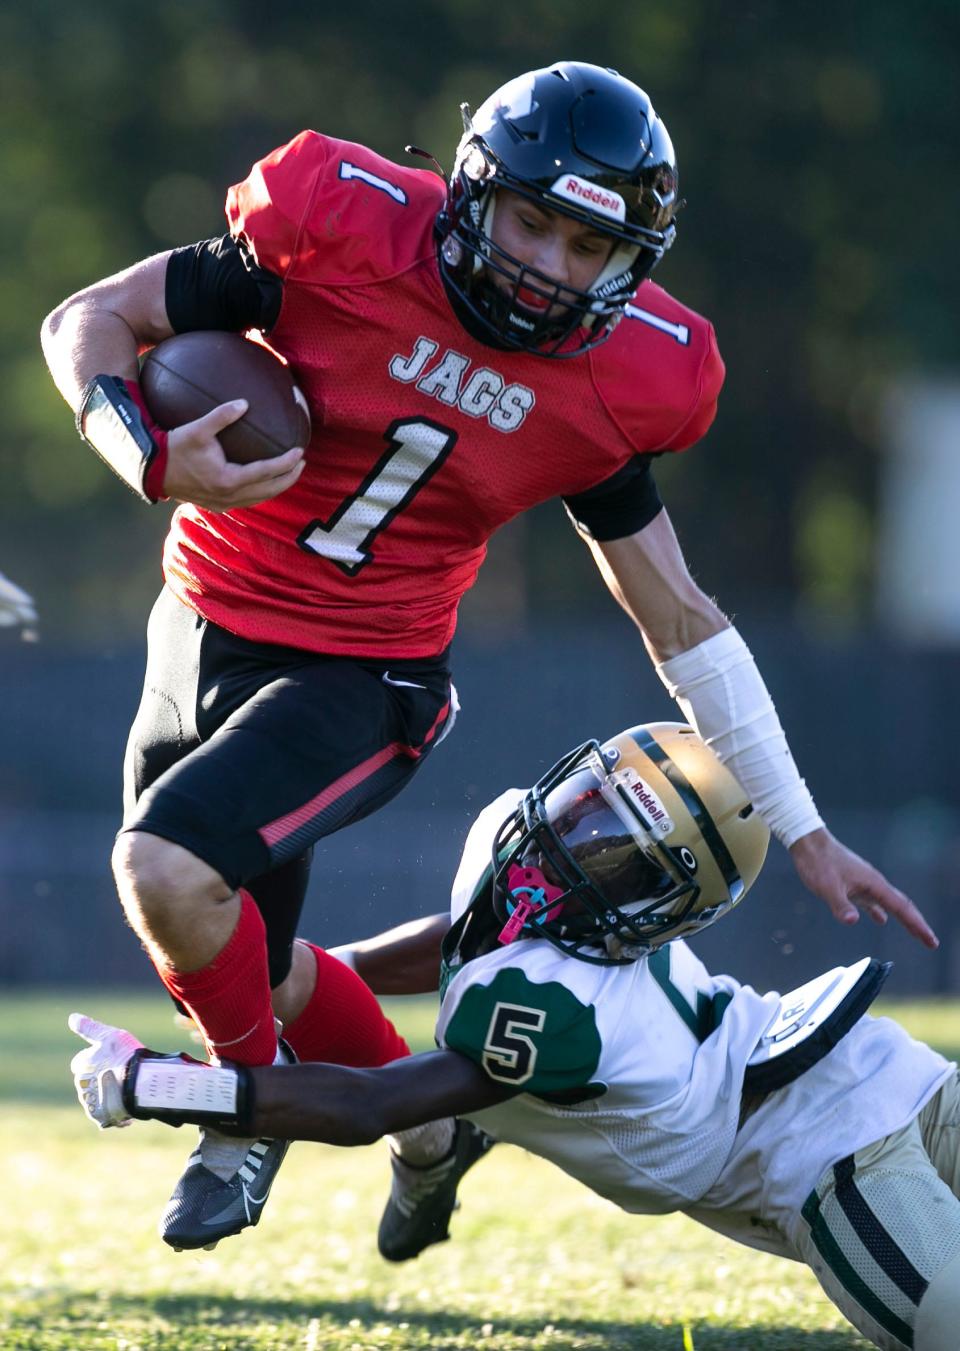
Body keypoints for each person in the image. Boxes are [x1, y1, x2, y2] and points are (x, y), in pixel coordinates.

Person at [42, 60, 937, 1254]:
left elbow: (678, 614)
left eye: (588, 247)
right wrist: (141, 447)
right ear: (474, 193)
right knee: (244, 958)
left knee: (162, 869)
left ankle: (239, 1120)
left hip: (364, 673)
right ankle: (427, 1138)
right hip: (197, 616)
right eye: (532, 222)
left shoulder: (624, 380)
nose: (550, 267)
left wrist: (805, 827)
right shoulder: (342, 225)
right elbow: (85, 319)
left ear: (632, 263)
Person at [71, 720, 955, 1351]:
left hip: (822, 1153)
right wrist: (324, 969)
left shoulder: (567, 1016)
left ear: (662, 913)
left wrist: (159, 1084)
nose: (578, 843)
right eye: (588, 808)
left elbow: (376, 1101)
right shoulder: (514, 844)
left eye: (620, 854)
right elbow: (470, 936)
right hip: (864, 1060)